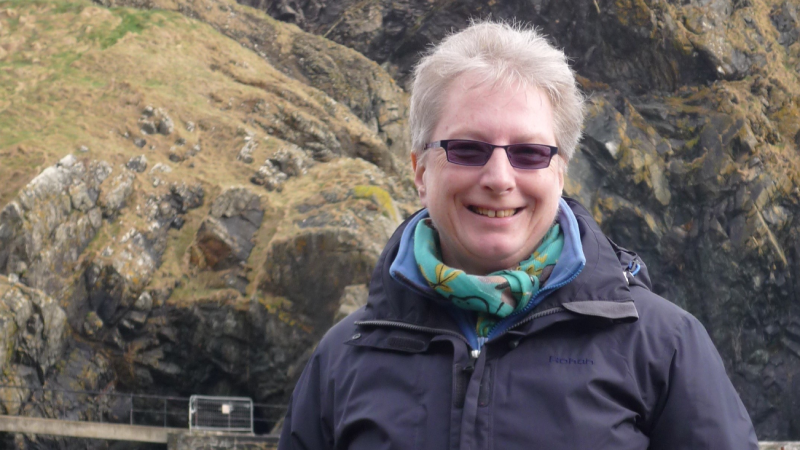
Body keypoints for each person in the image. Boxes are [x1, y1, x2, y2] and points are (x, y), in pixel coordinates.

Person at [278, 21, 758, 450]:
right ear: (420, 171)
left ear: (561, 173)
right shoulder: (344, 356)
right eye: (467, 149)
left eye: (529, 153)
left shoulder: (664, 345)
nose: (499, 178)